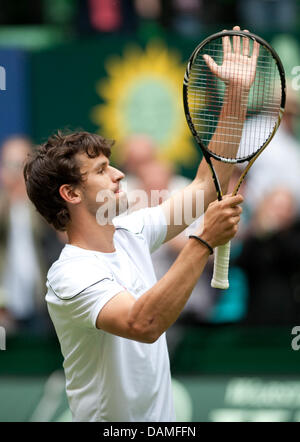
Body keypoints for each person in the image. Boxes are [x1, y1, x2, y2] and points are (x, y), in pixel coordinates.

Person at [23, 26, 254, 422]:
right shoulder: (70, 276)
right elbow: (143, 322)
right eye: (100, 170)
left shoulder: (132, 231)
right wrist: (202, 241)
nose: (117, 175)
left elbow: (206, 182)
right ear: (71, 194)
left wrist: (234, 94)